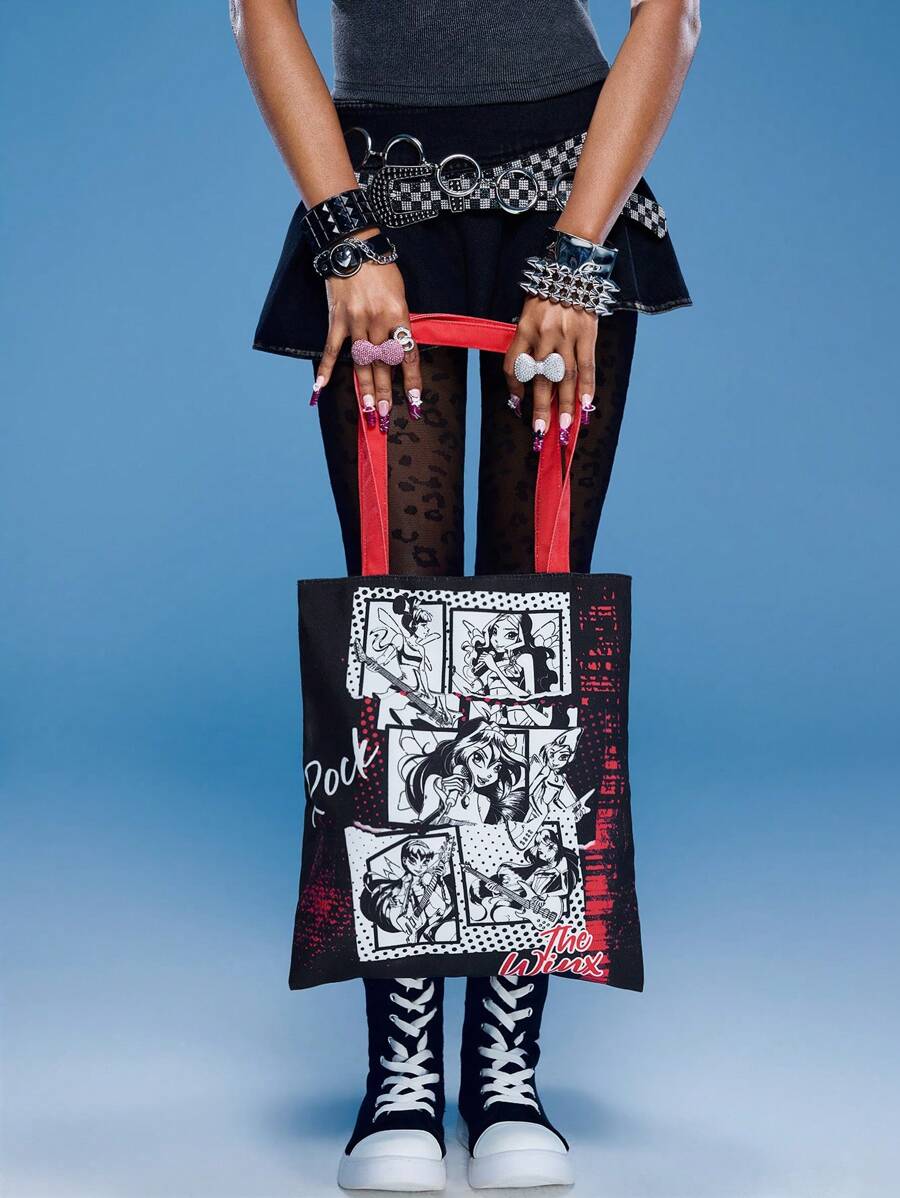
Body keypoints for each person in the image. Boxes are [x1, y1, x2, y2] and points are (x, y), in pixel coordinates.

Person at [232, 0, 700, 1189]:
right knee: (402, 643)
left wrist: (581, 251)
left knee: (530, 637)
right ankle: (399, 1068)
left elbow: (673, 13)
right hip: (372, 197)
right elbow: (255, 9)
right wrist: (344, 233)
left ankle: (506, 1068)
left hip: (573, 192)